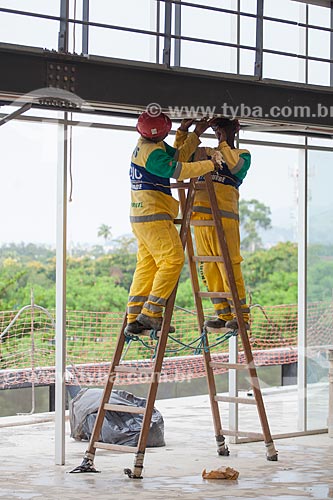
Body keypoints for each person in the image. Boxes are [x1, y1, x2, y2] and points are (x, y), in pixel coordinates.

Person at [125, 112, 222, 335]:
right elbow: (180, 170)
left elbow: (179, 156)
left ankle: (134, 317)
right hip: (153, 216)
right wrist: (208, 165)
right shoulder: (153, 153)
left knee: (148, 265)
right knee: (173, 260)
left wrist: (191, 133)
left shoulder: (148, 146)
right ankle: (150, 314)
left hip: (142, 218)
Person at [174, 117, 251, 330]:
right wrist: (184, 131)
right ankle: (224, 314)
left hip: (224, 221)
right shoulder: (207, 153)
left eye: (223, 129)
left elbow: (235, 168)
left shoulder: (242, 155)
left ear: (234, 129)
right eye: (216, 129)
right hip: (201, 221)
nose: (219, 133)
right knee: (209, 269)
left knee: (229, 267)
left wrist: (224, 143)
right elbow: (179, 156)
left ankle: (241, 317)